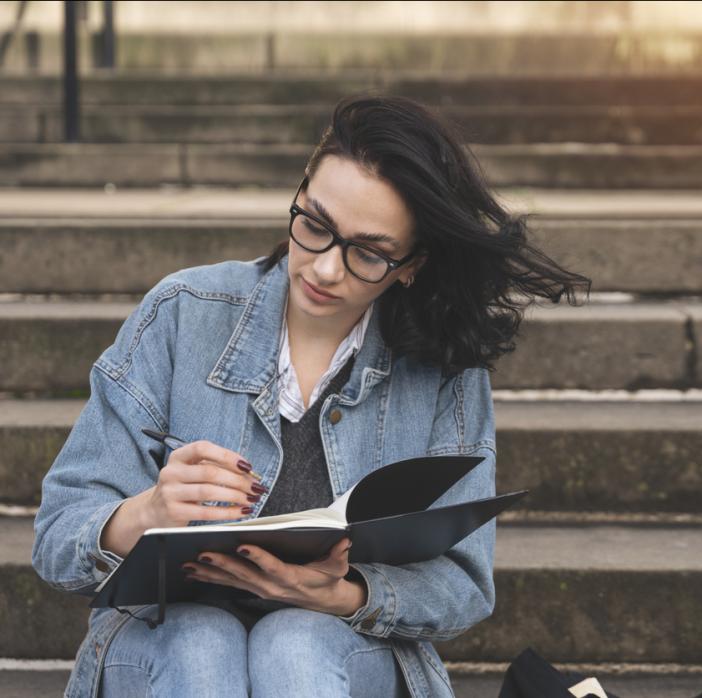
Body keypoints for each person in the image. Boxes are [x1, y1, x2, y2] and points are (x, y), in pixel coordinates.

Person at [31, 94, 591, 698]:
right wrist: (143, 514)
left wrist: (344, 595)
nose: (325, 269)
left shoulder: (444, 369)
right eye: (316, 226)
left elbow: (463, 584)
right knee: (202, 639)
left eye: (369, 253)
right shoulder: (182, 314)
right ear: (298, 193)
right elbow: (59, 535)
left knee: (295, 642)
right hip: (161, 644)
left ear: (411, 264)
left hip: (338, 655)